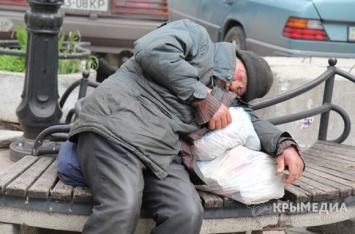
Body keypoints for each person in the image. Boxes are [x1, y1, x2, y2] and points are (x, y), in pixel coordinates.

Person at [67, 19, 304, 234]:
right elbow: (152, 48)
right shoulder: (198, 38)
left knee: (187, 212)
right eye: (241, 77)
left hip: (162, 151)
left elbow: (253, 121)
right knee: (122, 206)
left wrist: (285, 146)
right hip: (117, 126)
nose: (234, 85)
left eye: (241, 90)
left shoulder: (225, 97)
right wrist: (200, 95)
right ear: (237, 57)